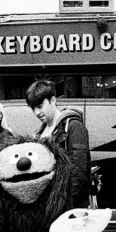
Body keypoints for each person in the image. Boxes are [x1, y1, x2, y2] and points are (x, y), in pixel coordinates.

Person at [27, 80, 91, 210]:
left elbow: (78, 171)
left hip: (68, 207)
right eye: (33, 108)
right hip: (47, 206)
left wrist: (65, 204)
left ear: (53, 100)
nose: (36, 112)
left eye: (40, 106)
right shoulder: (39, 133)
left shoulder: (73, 126)